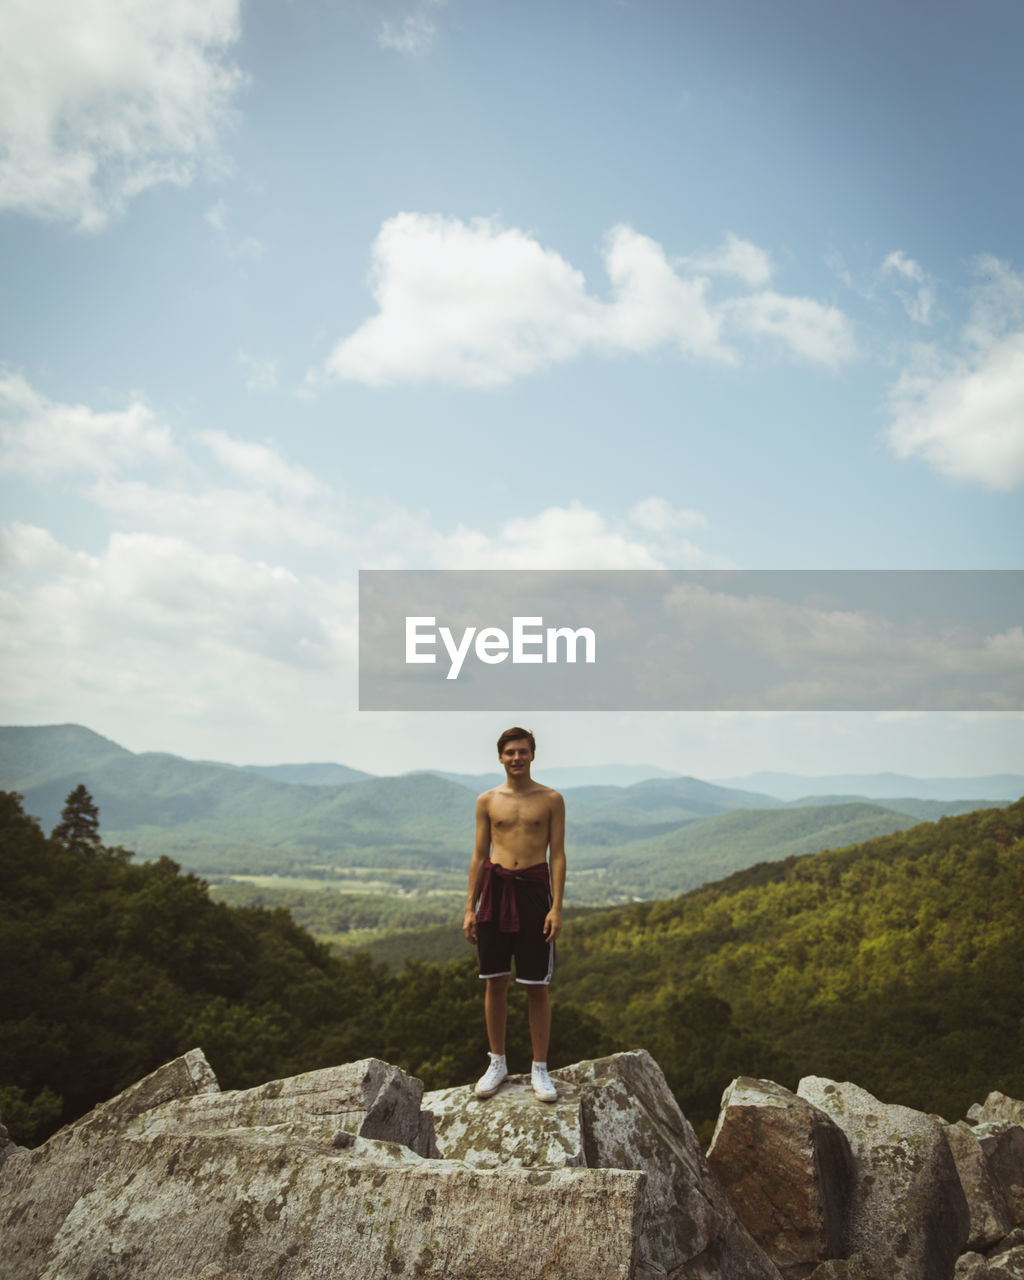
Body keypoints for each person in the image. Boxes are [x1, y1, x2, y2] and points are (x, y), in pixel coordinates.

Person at [463, 726, 566, 1103]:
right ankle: (497, 1062)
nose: (516, 758)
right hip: (496, 889)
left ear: (533, 755)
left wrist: (556, 907)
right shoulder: (487, 801)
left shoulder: (551, 799)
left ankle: (540, 1068)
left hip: (535, 892)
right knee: (495, 980)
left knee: (537, 984)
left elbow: (557, 854)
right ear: (501, 757)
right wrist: (470, 907)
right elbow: (478, 854)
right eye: (510, 752)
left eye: (523, 751)